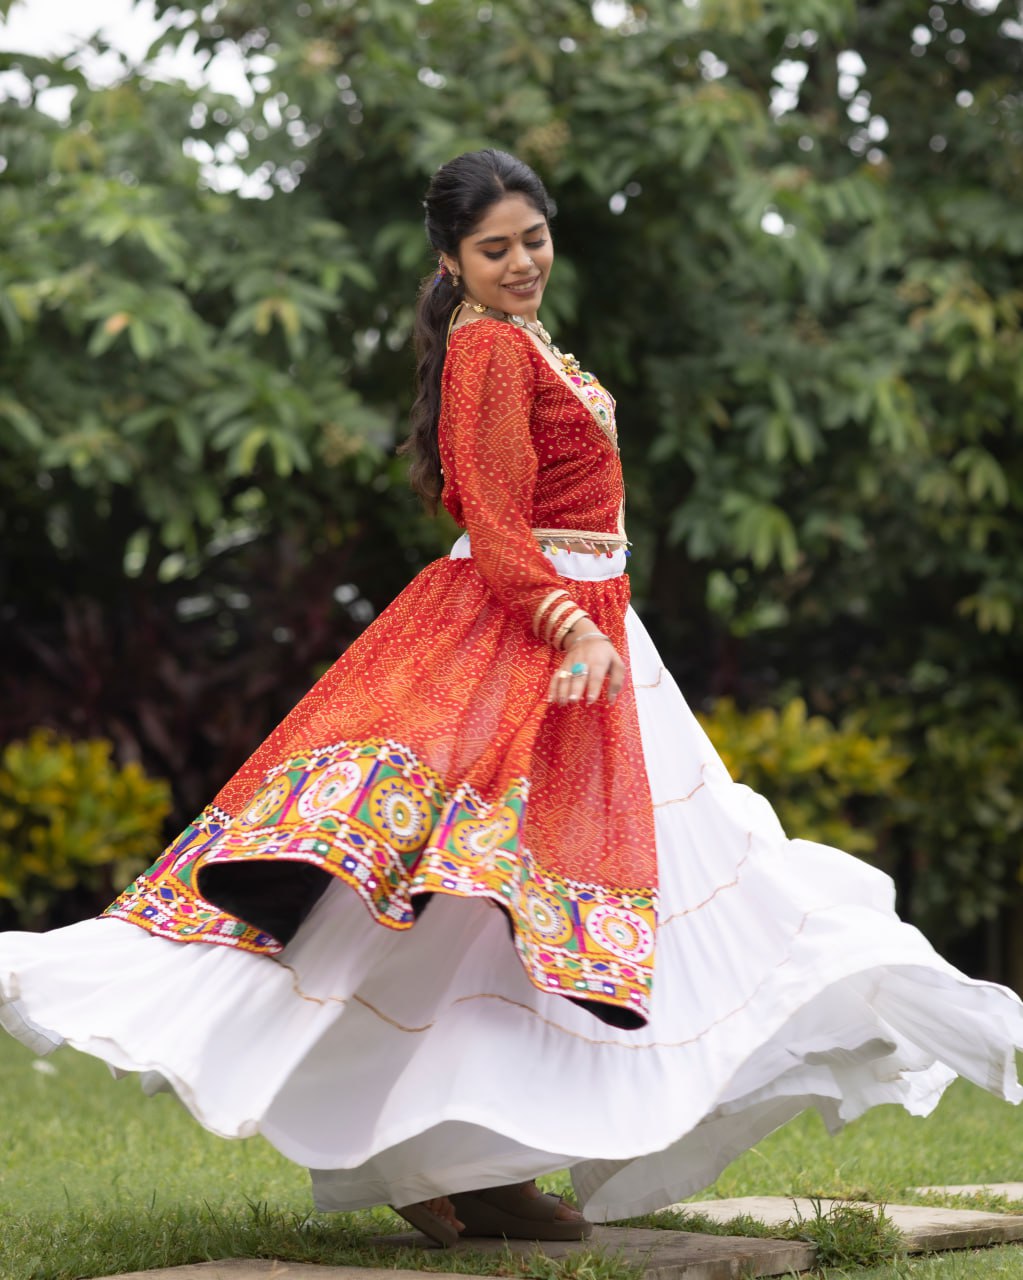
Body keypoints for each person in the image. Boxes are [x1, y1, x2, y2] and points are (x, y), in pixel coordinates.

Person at [2, 148, 1022, 1249]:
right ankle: (446, 1157)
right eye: (495, 249)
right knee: (479, 908)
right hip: (535, 635)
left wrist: (592, 623)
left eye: (533, 238)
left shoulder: (524, 340)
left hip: (591, 636)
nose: (523, 261)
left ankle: (483, 1158)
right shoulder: (485, 346)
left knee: (549, 908)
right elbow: (492, 515)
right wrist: (566, 623)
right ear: (452, 259)